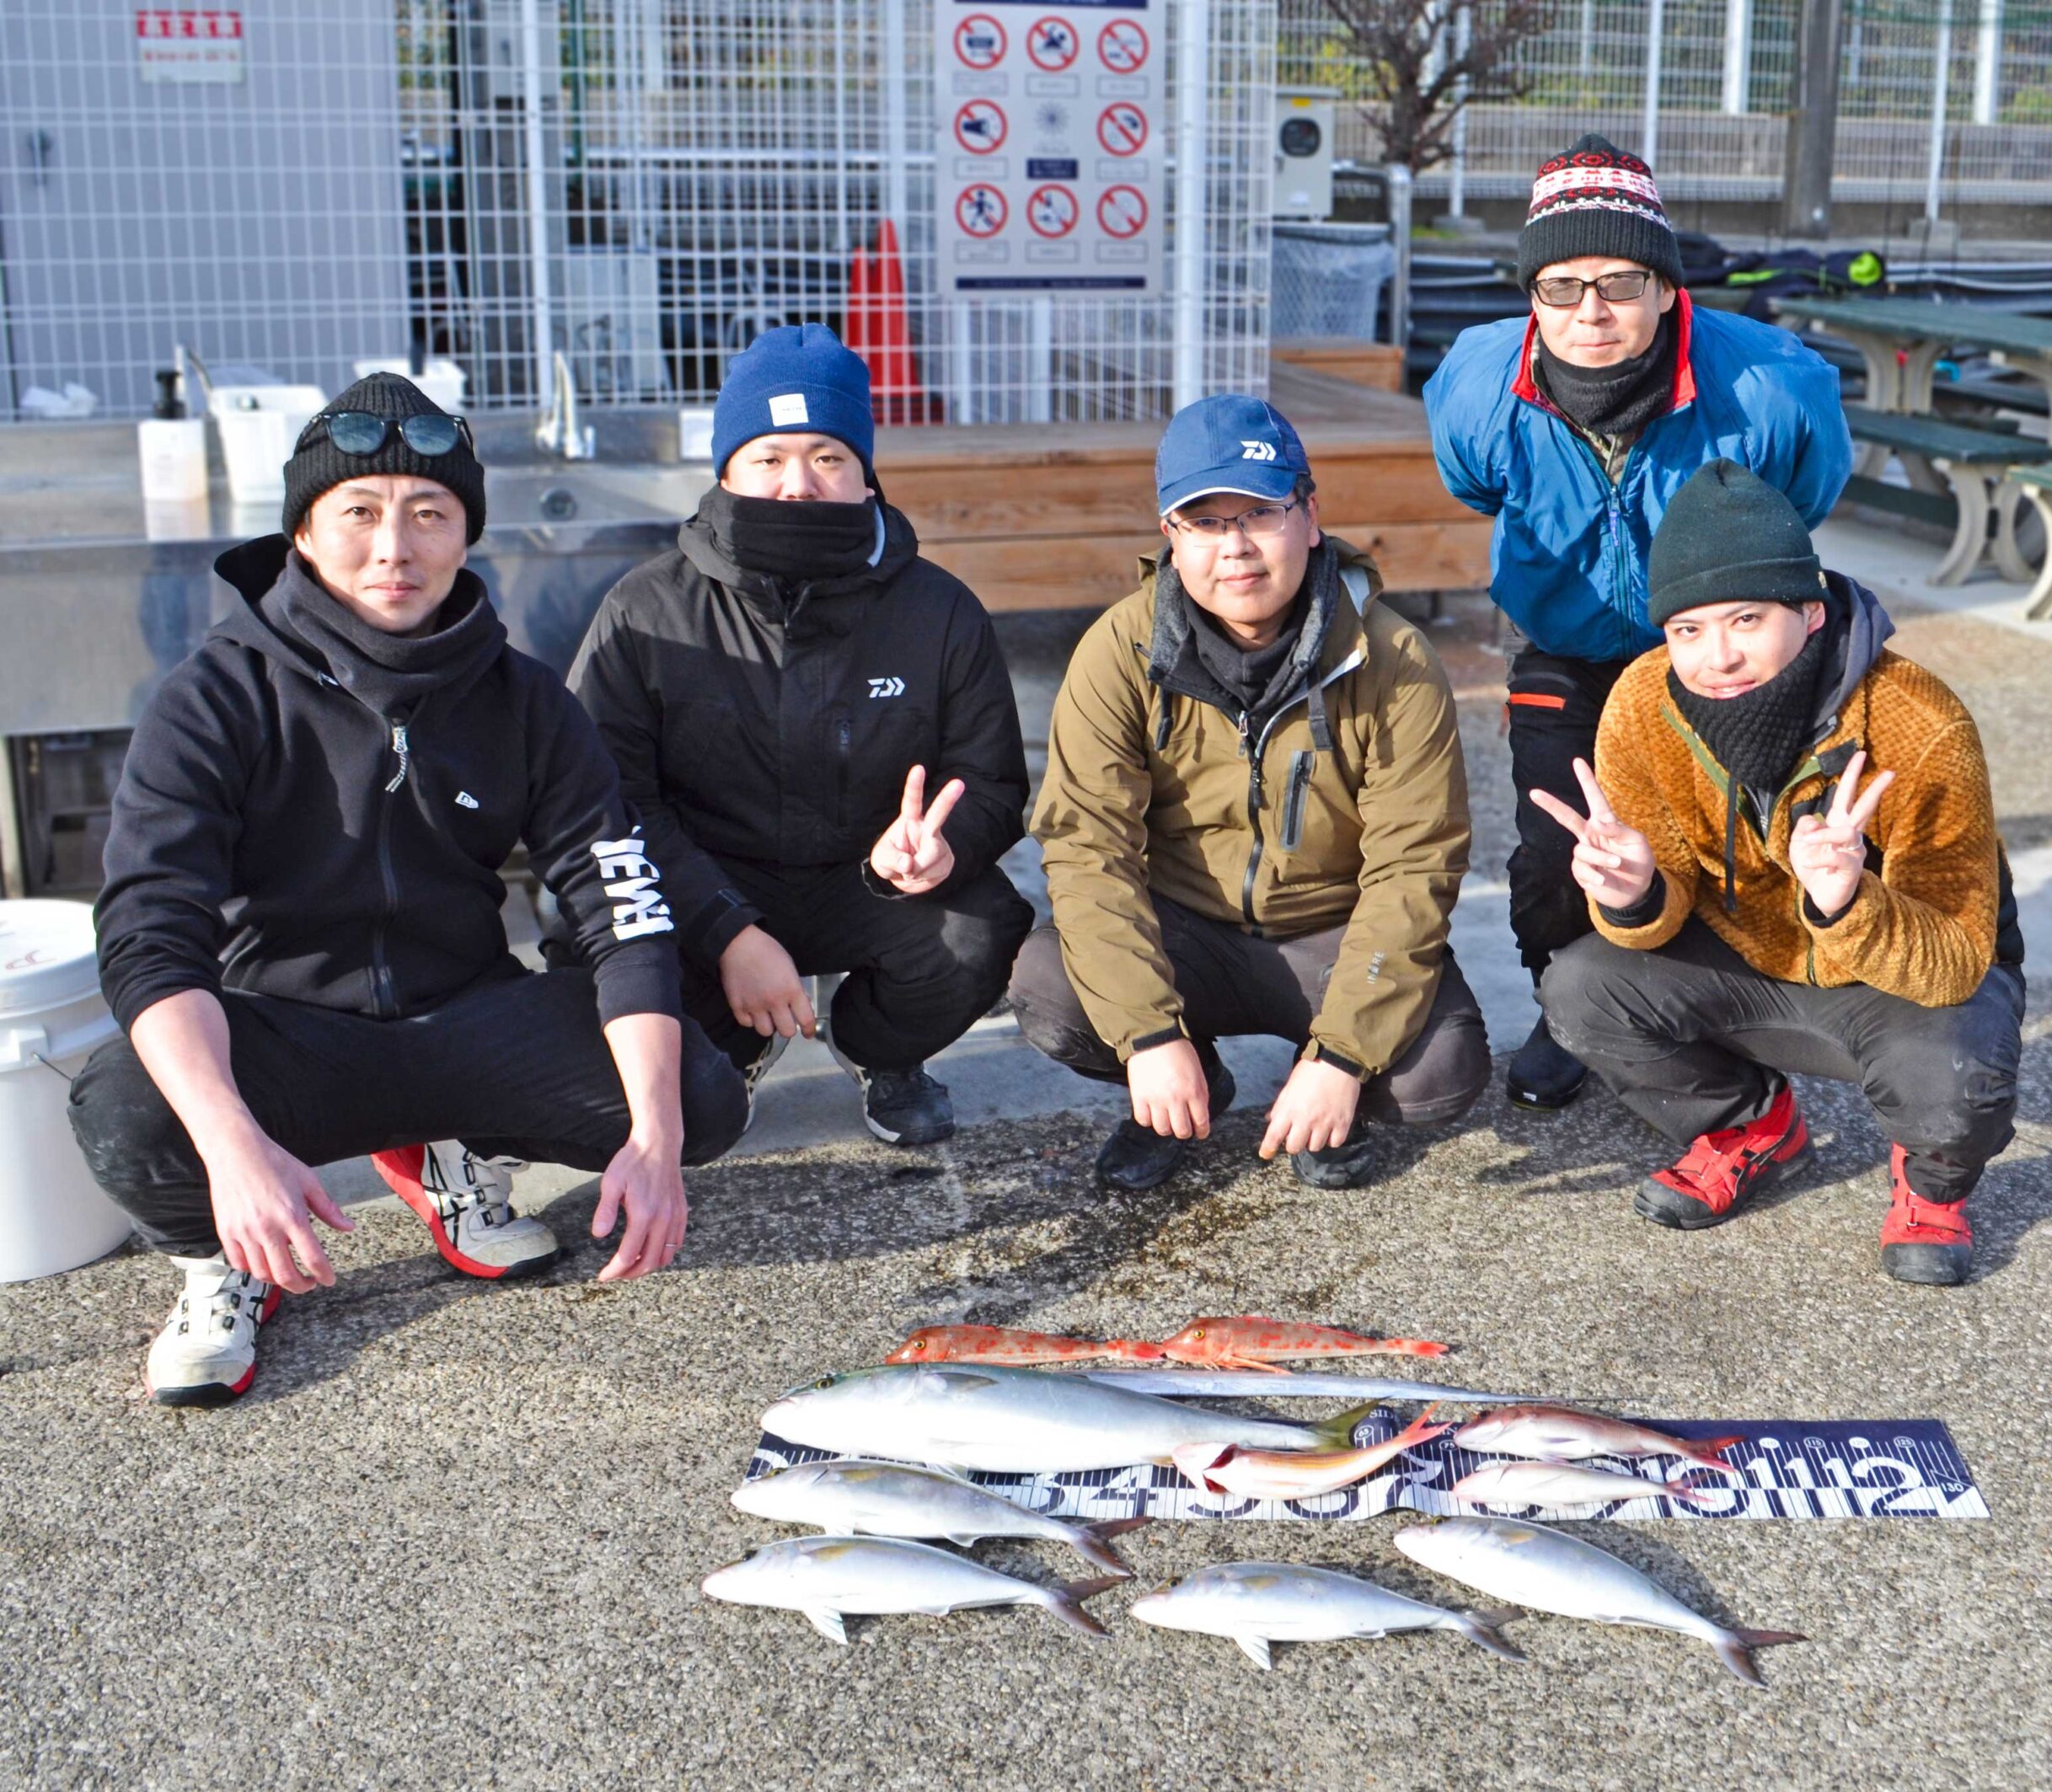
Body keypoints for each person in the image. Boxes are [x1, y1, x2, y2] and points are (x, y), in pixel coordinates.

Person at [67, 372, 747, 1406]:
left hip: (463, 1018)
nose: (396, 546)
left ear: (466, 534)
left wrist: (653, 1140)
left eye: (429, 513)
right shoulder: (216, 695)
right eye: (359, 512)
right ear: (301, 533)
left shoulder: (524, 699)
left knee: (696, 1094)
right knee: (126, 1105)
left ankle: (443, 1160)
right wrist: (234, 1149)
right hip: (291, 1036)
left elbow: (620, 904)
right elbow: (151, 931)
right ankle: (226, 1255)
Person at [1423, 134, 1851, 1111]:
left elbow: (1798, 505)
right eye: (1560, 286)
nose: (1590, 312)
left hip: (1712, 649)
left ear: (1665, 286)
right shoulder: (1480, 386)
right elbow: (1475, 487)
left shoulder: (1774, 385)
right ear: (1530, 294)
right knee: (1554, 846)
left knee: (1732, 837)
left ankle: (1731, 1011)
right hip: (1564, 642)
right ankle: (1572, 1005)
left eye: (1618, 281)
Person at [1534, 461, 2023, 1286]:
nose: (1716, 657)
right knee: (1579, 989)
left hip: (1899, 980)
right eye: (1686, 630)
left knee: (1955, 1078)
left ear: (1810, 611)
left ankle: (1931, 1180)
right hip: (1748, 962)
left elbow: (1956, 959)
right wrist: (1634, 894)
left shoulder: (1921, 722)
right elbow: (1663, 903)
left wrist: (1847, 901)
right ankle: (1752, 1127)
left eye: (1745, 619)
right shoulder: (1640, 702)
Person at [1008, 394, 1490, 1192]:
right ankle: (1189, 1079)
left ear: (1308, 515)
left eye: (1260, 513)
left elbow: (1415, 867)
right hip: (1184, 928)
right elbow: (1087, 850)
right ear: (1170, 536)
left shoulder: (1395, 658)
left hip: (1326, 934)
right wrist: (1148, 1037)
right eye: (1204, 521)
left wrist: (1341, 1056)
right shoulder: (1117, 652)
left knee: (1439, 1071)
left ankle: (1326, 1097)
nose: (1235, 547)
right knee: (1049, 987)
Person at [569, 324, 1031, 1147]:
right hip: (709, 885)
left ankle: (876, 1049)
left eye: (827, 456)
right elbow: (602, 804)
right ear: (724, 473)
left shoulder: (939, 609)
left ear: (864, 476)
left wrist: (939, 849)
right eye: (769, 457)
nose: (797, 485)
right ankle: (739, 1043)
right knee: (593, 952)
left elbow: (990, 780)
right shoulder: (645, 611)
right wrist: (728, 932)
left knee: (983, 925)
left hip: (869, 885)